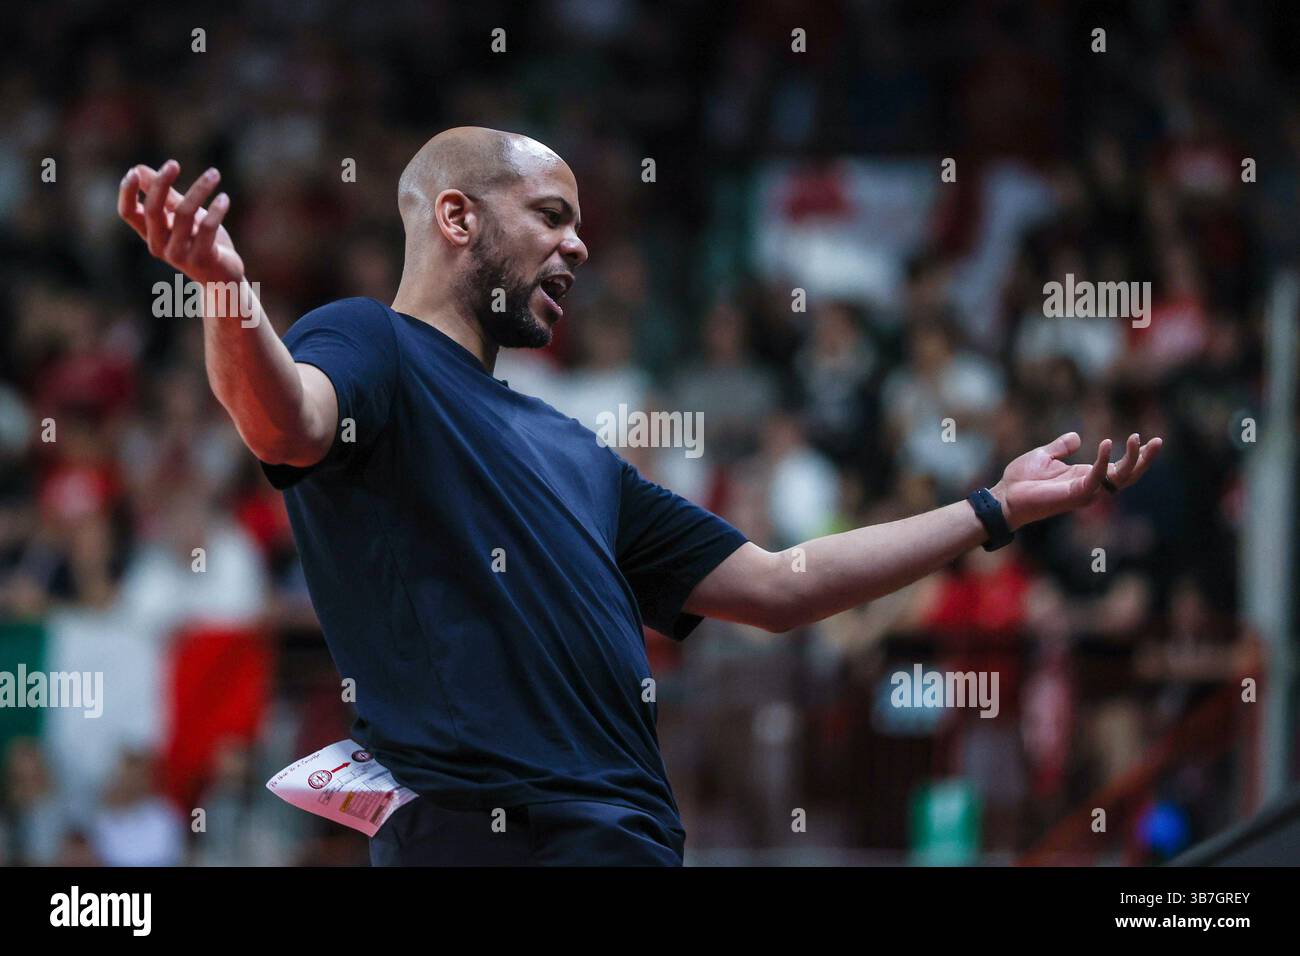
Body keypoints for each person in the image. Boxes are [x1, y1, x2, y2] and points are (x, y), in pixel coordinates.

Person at [116, 126, 1162, 866]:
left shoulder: (575, 451)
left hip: (626, 838)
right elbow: (283, 419)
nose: (578, 244)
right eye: (551, 215)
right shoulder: (371, 344)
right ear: (457, 216)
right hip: (492, 836)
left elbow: (776, 582)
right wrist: (226, 290)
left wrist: (992, 509)